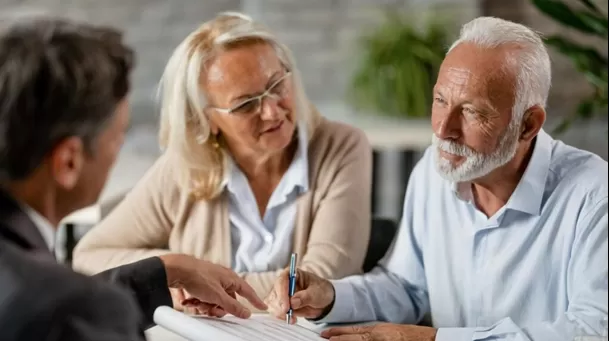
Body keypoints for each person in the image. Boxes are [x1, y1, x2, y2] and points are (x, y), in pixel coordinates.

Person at [265, 16, 608, 341]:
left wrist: (434, 338)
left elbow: (593, 332)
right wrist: (331, 296)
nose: (444, 129)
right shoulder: (434, 169)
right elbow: (408, 286)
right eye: (441, 100)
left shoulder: (595, 197)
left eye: (473, 112)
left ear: (528, 124)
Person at [72, 11, 372, 312]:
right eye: (246, 104)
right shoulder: (185, 166)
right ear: (207, 120)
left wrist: (202, 285)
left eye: (277, 85)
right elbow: (90, 255)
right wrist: (174, 272)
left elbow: (323, 283)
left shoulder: (342, 147)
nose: (272, 111)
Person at [0, 15, 266, 341]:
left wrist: (166, 271)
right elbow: (64, 307)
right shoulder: (73, 310)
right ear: (68, 162)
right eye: (117, 138)